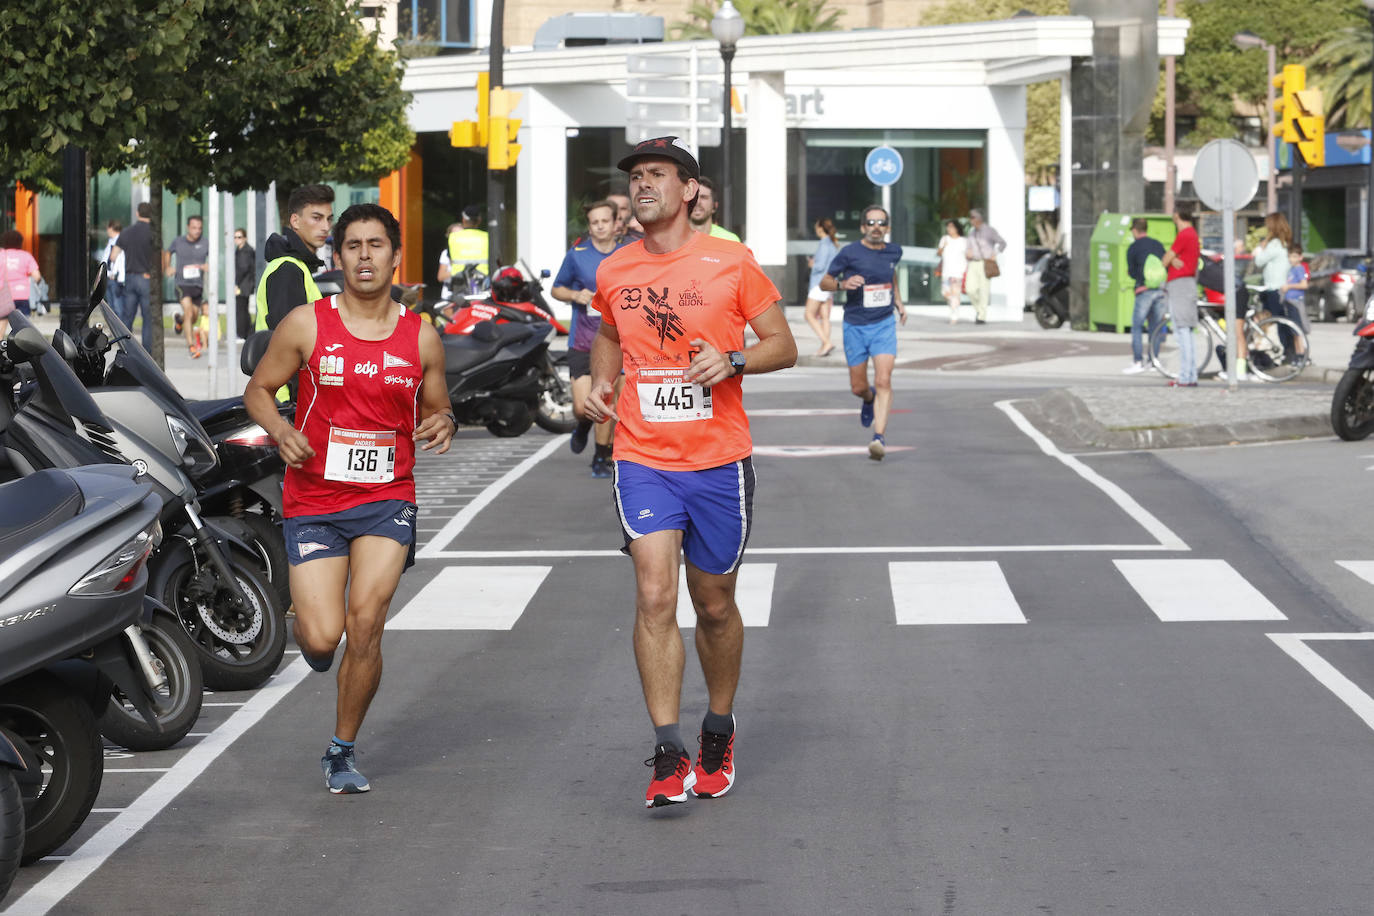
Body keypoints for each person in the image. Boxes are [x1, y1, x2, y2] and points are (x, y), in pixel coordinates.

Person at [581, 135, 796, 809]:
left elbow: (783, 345)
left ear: (689, 190)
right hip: (644, 456)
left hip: (717, 459)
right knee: (653, 594)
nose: (641, 186)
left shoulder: (732, 263)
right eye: (635, 177)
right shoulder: (615, 270)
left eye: (656, 175)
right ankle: (669, 750)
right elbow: (610, 338)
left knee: (714, 603)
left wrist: (733, 361)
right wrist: (598, 393)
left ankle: (719, 727)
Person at [243, 203, 455, 795]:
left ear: (395, 255)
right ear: (337, 257)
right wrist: (280, 430)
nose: (365, 256)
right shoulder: (307, 325)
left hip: (387, 497)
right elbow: (259, 389)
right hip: (313, 498)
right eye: (353, 246)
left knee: (367, 623)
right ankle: (315, 639)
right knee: (320, 637)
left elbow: (438, 408)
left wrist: (444, 424)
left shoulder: (422, 336)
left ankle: (341, 749)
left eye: (376, 245)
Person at [820, 205, 908, 460]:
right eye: (871, 223)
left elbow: (890, 276)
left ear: (887, 228)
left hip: (883, 324)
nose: (876, 228)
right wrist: (842, 284)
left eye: (881, 223)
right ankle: (867, 399)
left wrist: (899, 302)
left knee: (884, 380)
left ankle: (878, 437)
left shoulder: (894, 251)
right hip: (855, 325)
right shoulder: (849, 253)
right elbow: (824, 281)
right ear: (862, 227)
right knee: (859, 386)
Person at [550, 199, 623, 478]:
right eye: (594, 222)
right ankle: (582, 425)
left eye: (605, 221)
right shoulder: (577, 254)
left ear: (616, 223)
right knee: (582, 408)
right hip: (583, 341)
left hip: (617, 341)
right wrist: (575, 295)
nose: (600, 226)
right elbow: (557, 289)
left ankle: (602, 456)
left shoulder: (628, 253)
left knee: (609, 400)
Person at [256, 184, 335, 332]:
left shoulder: (297, 265)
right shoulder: (288, 269)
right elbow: (289, 340)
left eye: (329, 219)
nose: (326, 226)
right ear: (295, 221)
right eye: (317, 218)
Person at [1253, 212, 1306, 367]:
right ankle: (1290, 353)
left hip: (1274, 289)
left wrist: (1260, 248)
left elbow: (1259, 261)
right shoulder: (1286, 243)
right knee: (1284, 322)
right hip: (1283, 289)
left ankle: (1286, 354)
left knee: (1276, 322)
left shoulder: (1274, 244)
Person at [1159, 202, 1200, 388]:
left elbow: (1164, 260)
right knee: (1186, 331)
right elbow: (1170, 259)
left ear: (1177, 215)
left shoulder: (1184, 235)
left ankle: (1185, 376)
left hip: (1180, 286)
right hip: (1186, 285)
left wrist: (1171, 259)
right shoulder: (1192, 235)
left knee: (1182, 332)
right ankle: (1189, 376)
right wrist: (1174, 259)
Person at [1122, 218, 1166, 375]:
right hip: (1160, 291)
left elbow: (1132, 271)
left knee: (1137, 326)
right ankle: (1154, 361)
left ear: (1134, 230)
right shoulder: (1158, 245)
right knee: (1155, 328)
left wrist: (1134, 274)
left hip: (1143, 291)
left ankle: (1138, 361)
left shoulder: (1133, 248)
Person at [112, 202, 157, 350]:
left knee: (127, 317)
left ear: (137, 213)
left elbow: (113, 256)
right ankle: (147, 352)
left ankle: (125, 348)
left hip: (130, 278)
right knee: (147, 319)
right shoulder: (154, 233)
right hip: (146, 278)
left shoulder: (126, 232)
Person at [165, 216, 209, 358]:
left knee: (194, 317)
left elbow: (214, 258)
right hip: (182, 284)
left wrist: (209, 265)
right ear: (188, 228)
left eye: (200, 228)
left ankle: (179, 320)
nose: (197, 231)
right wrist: (167, 267)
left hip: (197, 284)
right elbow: (167, 252)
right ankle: (191, 346)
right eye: (194, 228)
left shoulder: (205, 242)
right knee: (189, 313)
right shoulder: (178, 242)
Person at [804, 217, 840, 356]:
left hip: (820, 283)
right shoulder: (832, 243)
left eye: (816, 227)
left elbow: (820, 266)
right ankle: (825, 346)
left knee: (808, 314)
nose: (815, 229)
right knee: (825, 316)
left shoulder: (825, 244)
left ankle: (826, 343)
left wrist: (812, 264)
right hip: (828, 283)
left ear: (820, 228)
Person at [963, 208, 1005, 324]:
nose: (971, 220)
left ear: (979, 218)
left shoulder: (989, 231)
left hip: (985, 263)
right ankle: (979, 310)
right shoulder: (971, 232)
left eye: (973, 217)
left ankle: (982, 316)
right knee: (970, 289)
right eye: (970, 218)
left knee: (983, 290)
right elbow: (967, 247)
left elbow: (1002, 243)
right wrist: (967, 253)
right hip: (973, 263)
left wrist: (994, 254)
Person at [0, 230, 42, 337]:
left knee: (1, 324)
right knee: (22, 327)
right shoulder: (26, 256)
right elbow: (37, 277)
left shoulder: (1, 255)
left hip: (5, 296)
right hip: (22, 295)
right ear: (20, 242)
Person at [1279, 244, 1311, 367]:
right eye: (1289, 256)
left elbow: (1304, 285)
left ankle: (1302, 355)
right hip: (1289, 302)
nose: (1291, 259)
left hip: (1296, 302)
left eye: (1294, 256)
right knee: (1293, 331)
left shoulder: (1299, 269)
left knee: (1298, 331)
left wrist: (1289, 287)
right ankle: (1298, 355)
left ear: (1300, 257)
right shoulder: (1291, 269)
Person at [446, 205, 488, 287]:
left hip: (459, 282)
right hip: (482, 281)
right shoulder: (487, 237)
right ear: (479, 220)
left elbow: (450, 260)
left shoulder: (453, 237)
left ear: (463, 219)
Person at [936, 219, 968, 325]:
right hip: (946, 271)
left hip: (958, 272)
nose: (949, 229)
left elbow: (967, 255)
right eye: (948, 227)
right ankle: (955, 307)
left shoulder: (963, 241)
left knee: (955, 294)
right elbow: (939, 253)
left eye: (951, 227)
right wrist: (943, 246)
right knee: (945, 293)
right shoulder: (945, 239)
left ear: (957, 228)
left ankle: (954, 315)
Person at [688, 177, 740, 241]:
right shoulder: (674, 239)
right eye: (694, 197)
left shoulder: (730, 240)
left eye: (704, 197)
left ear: (714, 206)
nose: (698, 202)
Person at [102, 220, 126, 325]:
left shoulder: (120, 241)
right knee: (112, 306)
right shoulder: (111, 241)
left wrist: (114, 273)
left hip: (114, 277)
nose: (107, 230)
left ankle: (120, 329)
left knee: (118, 307)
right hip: (108, 276)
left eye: (107, 228)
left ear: (111, 228)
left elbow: (119, 259)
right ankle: (115, 329)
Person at [233, 228, 255, 339]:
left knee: (241, 309)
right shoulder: (239, 250)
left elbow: (243, 268)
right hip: (244, 283)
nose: (237, 239)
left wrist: (236, 283)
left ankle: (242, 334)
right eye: (235, 237)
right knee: (243, 309)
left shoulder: (246, 251)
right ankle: (246, 334)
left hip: (243, 284)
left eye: (239, 237)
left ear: (245, 238)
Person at [435, 221, 462, 302]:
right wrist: (458, 269)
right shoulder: (446, 253)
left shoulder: (470, 252)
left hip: (467, 293)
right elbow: (441, 276)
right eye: (455, 235)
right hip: (449, 294)